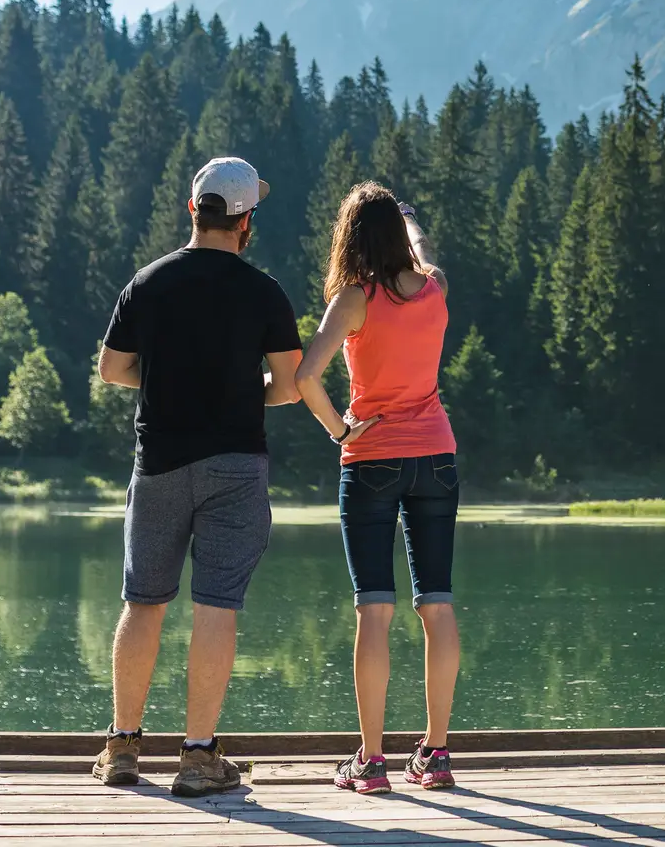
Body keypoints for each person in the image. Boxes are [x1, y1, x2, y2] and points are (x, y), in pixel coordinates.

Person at [92, 156, 303, 797]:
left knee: (143, 601)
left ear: (193, 210)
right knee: (217, 603)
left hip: (157, 462)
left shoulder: (147, 283)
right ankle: (197, 756)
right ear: (247, 221)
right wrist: (242, 394)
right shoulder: (263, 291)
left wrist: (161, 382)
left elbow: (110, 368)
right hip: (235, 466)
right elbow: (291, 386)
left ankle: (123, 748)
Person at [296, 182, 460, 796]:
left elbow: (307, 375)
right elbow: (420, 250)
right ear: (401, 236)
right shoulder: (435, 286)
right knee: (436, 603)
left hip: (370, 460)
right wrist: (410, 218)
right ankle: (436, 755)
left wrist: (340, 428)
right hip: (437, 456)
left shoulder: (354, 299)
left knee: (375, 608)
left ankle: (371, 763)